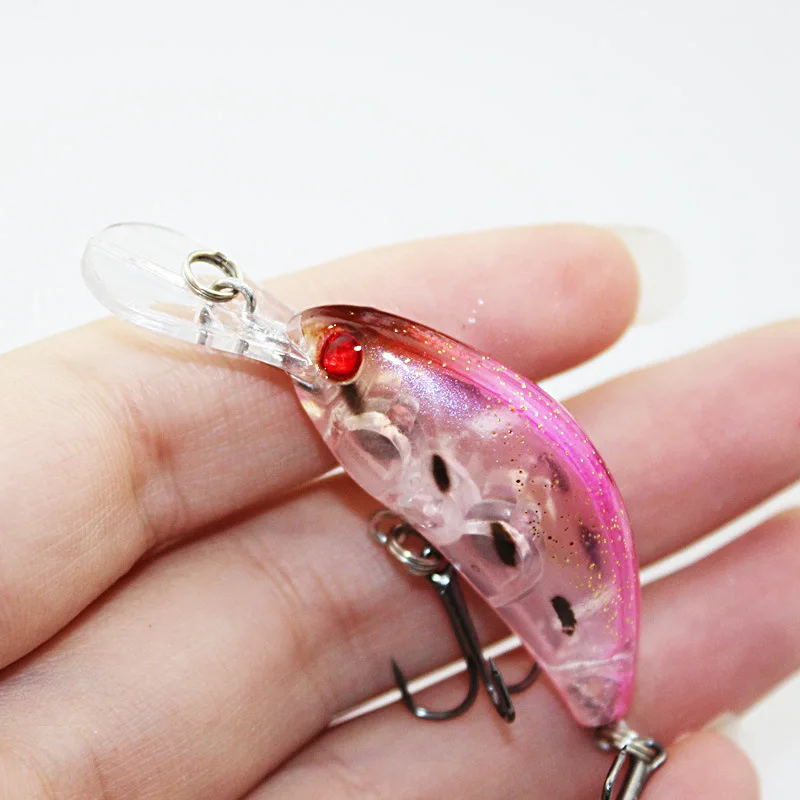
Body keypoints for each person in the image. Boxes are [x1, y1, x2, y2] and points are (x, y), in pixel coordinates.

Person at [0, 224, 794, 799]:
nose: (326, 371)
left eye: (337, 364)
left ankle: (599, 707)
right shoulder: (340, 394)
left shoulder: (374, 376)